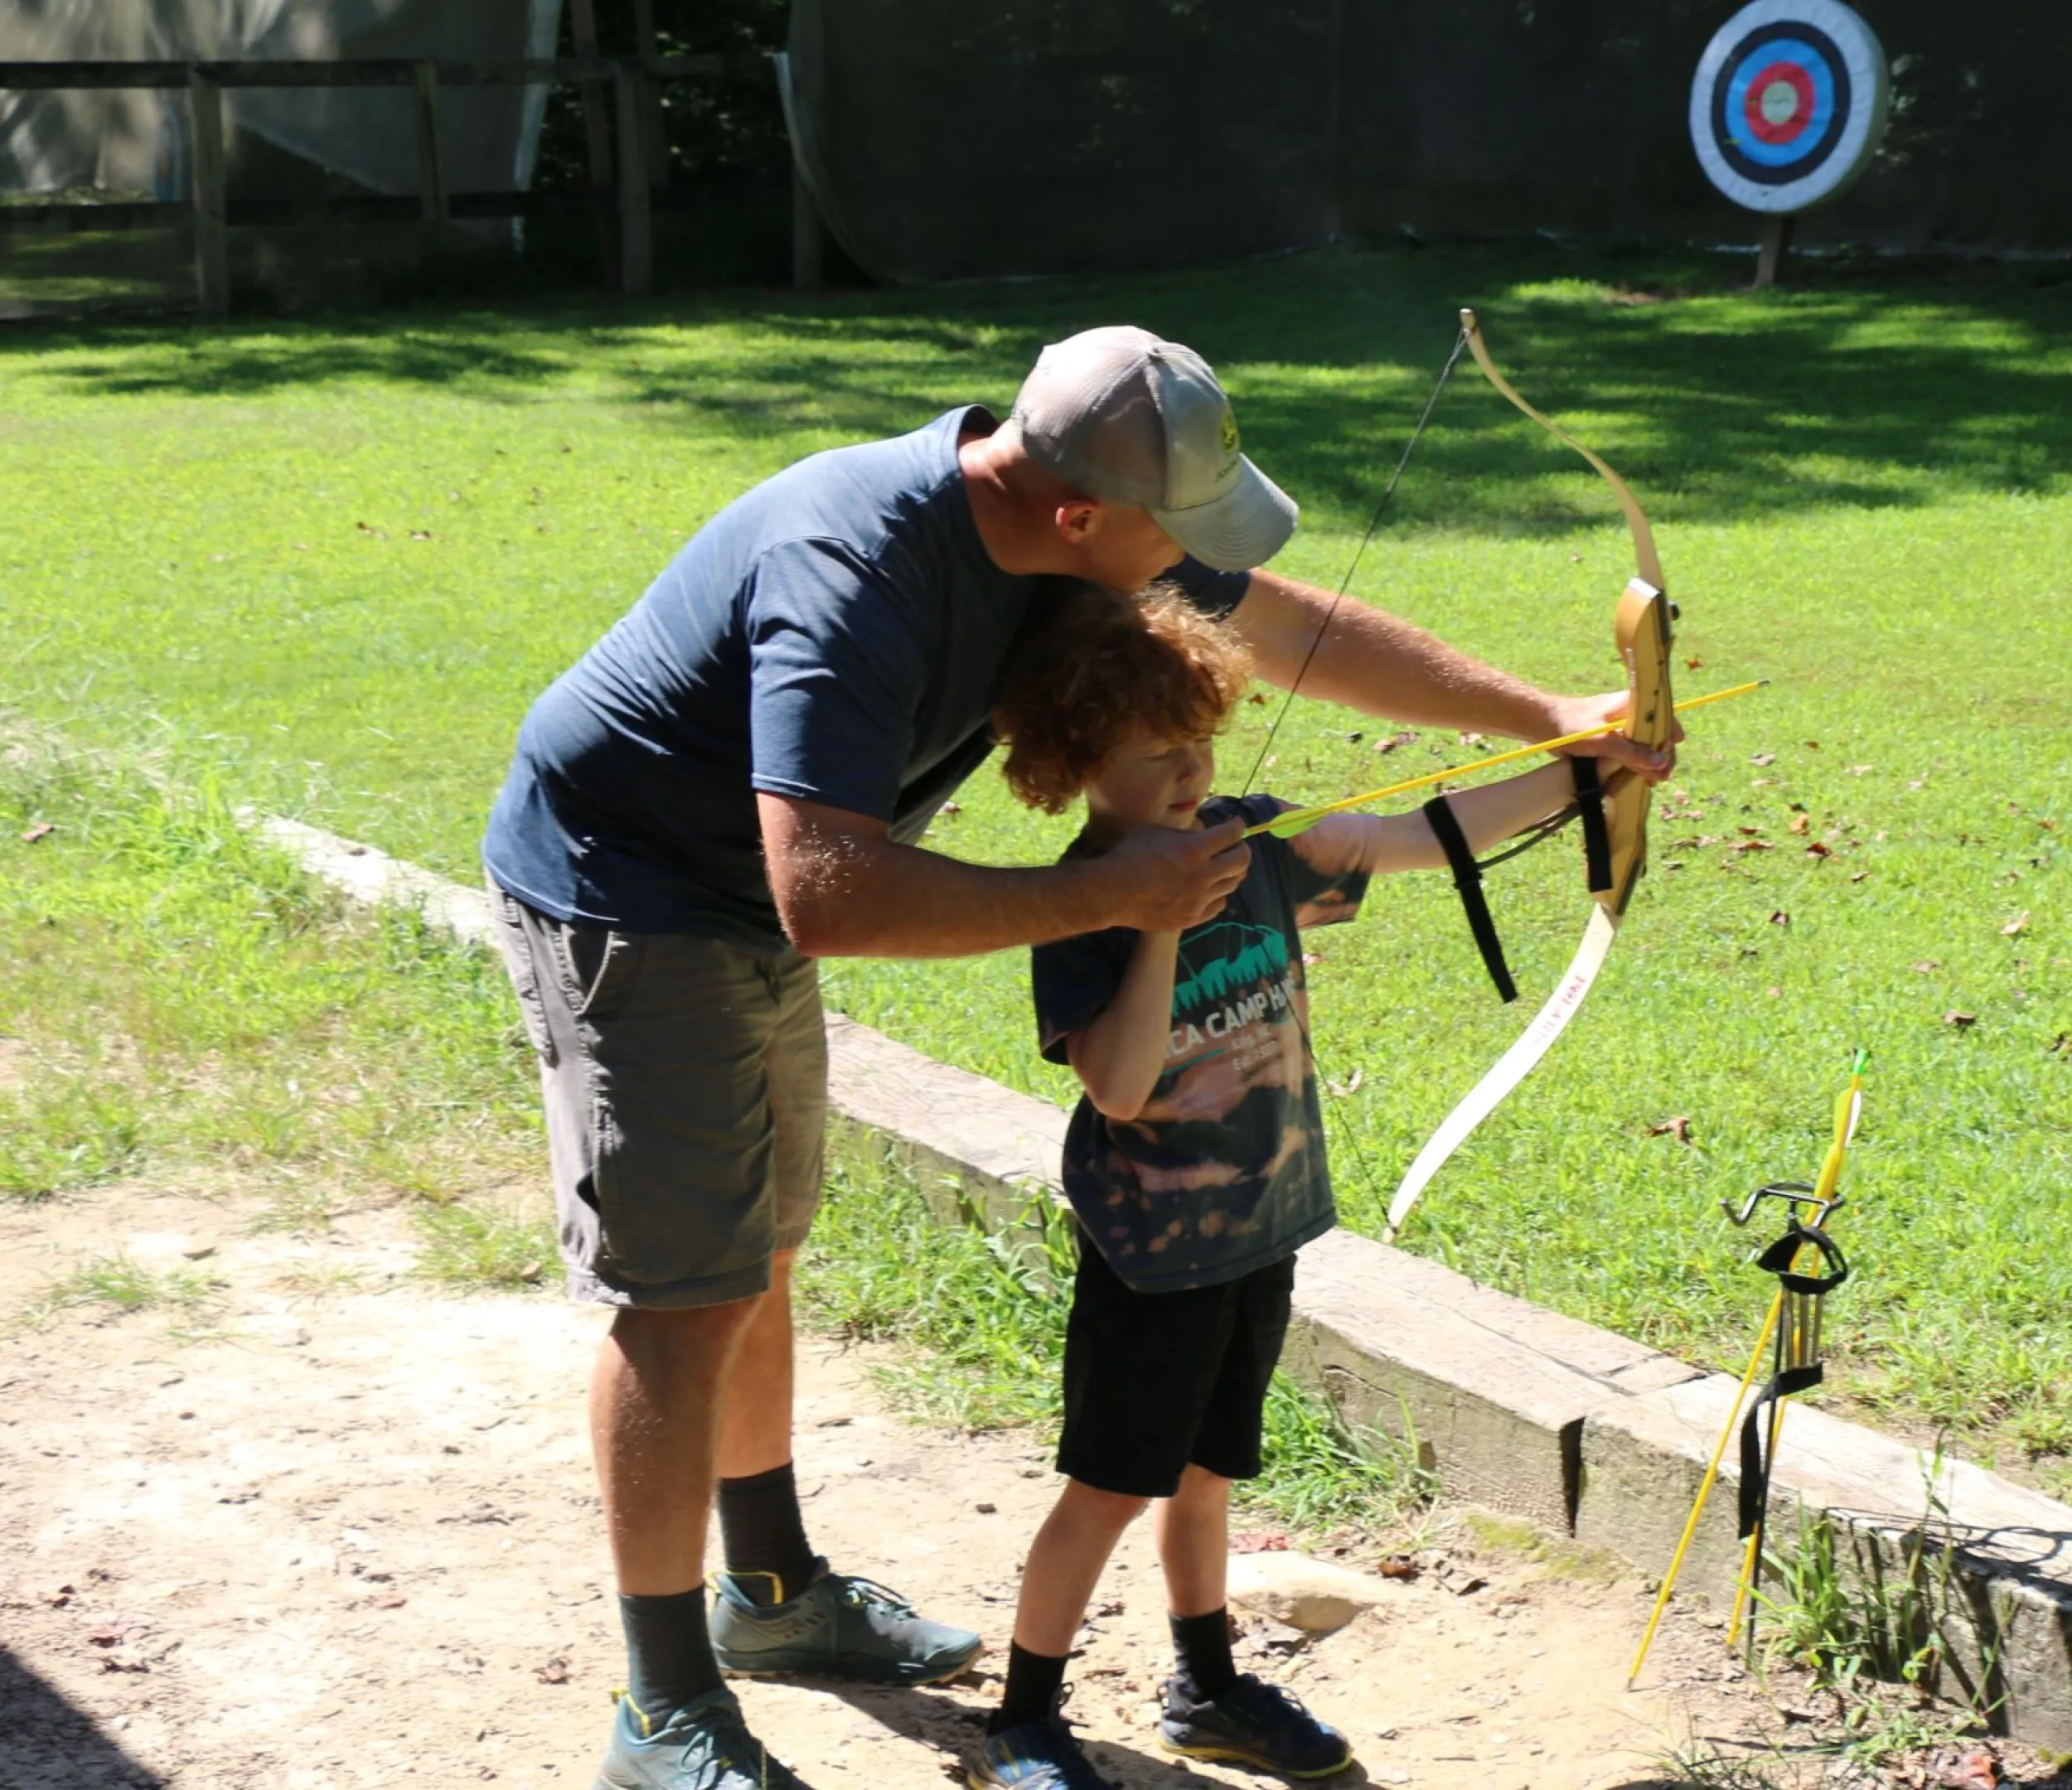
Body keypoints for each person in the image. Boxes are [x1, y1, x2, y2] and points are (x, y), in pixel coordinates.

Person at [479, 326, 1664, 1790]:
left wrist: (1552, 722)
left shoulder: (1065, 531)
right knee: (684, 1291)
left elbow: (1288, 628)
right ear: (1081, 515)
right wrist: (1119, 895)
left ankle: (771, 1594)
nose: (1200, 570)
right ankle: (664, 1705)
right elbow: (830, 897)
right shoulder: (857, 574)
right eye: (1180, 536)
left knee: (759, 1250)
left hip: (755, 887)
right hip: (636, 888)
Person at [974, 582, 1623, 1788]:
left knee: (1211, 1472)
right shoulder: (1082, 908)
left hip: (1259, 1229)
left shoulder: (1254, 837)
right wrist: (1162, 920)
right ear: (1078, 762)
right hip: (1156, 1254)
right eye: (1158, 755)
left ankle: (1205, 1682)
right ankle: (1022, 1717)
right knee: (1110, 1489)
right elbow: (1117, 1086)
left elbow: (1424, 834)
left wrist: (1589, 770)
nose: (1192, 775)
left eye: (1202, 743)